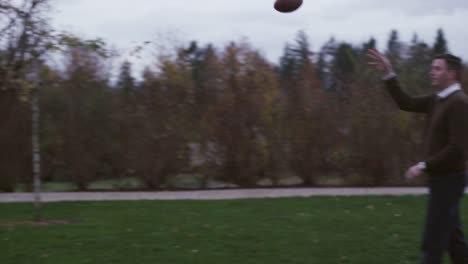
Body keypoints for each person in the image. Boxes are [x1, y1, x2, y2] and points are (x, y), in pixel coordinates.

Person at [367, 49, 468, 264]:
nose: (431, 72)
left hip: (450, 181)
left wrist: (423, 166)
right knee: (453, 239)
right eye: (432, 68)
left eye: (437, 68)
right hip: (441, 180)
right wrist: (389, 74)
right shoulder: (438, 100)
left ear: (452, 74)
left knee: (432, 242)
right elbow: (406, 103)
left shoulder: (459, 103)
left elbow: (457, 148)